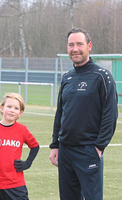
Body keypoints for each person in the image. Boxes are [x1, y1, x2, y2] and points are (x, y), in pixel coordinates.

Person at [49, 27, 118, 200]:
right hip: (65, 150)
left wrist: (99, 146)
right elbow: (60, 113)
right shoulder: (67, 77)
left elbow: (110, 115)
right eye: (71, 45)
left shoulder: (102, 76)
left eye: (79, 44)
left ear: (89, 46)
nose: (75, 49)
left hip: (88, 150)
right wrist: (55, 144)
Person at [0, 92, 40, 200]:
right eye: (9, 106)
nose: (12, 110)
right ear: (2, 108)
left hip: (16, 184)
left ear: (20, 113)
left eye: (16, 108)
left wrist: (27, 163)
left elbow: (35, 146)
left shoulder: (22, 130)